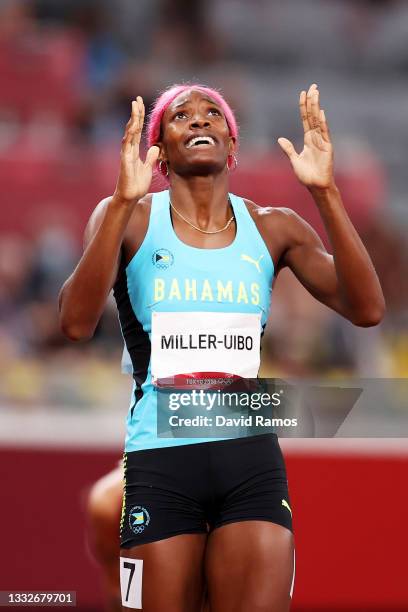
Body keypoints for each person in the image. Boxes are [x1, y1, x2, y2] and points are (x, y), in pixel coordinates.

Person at [59, 82, 385, 612]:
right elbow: (74, 323)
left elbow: (368, 309)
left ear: (232, 146)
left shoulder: (274, 227)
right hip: (159, 465)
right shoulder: (129, 218)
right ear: (158, 148)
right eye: (182, 115)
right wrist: (121, 200)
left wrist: (325, 192)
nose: (200, 120)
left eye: (214, 114)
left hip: (250, 463)